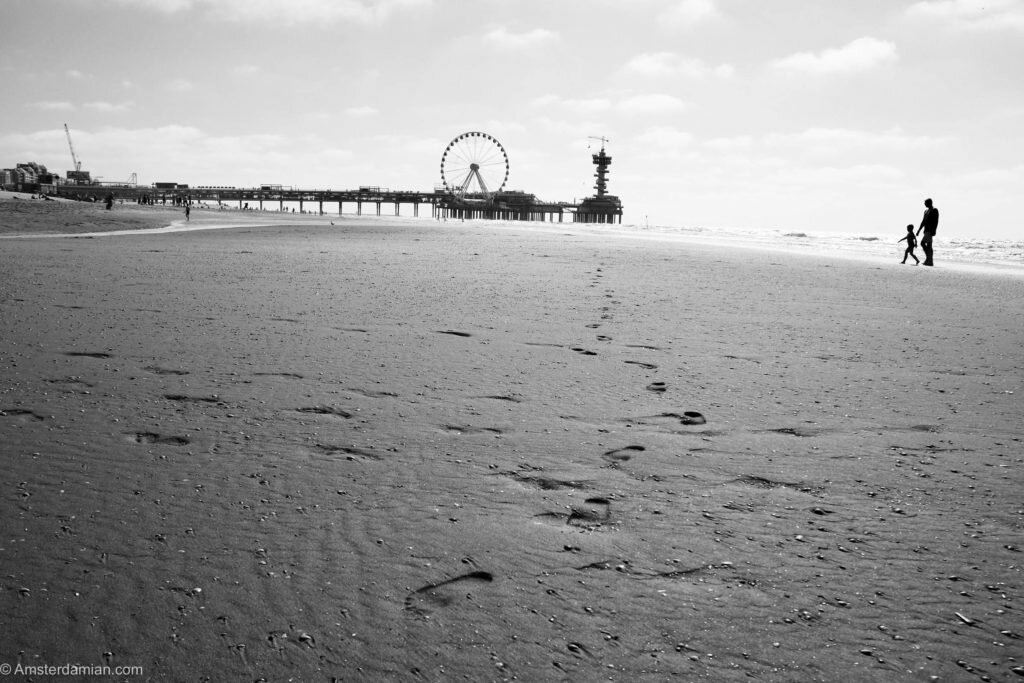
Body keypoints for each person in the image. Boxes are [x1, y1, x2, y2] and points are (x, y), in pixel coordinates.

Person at [916, 198, 939, 266]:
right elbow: (923, 221)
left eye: (925, 203)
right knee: (929, 246)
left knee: (923, 243)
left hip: (930, 230)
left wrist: (934, 230)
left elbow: (936, 221)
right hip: (926, 230)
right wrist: (919, 230)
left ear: (929, 203)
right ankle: (929, 260)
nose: (924, 204)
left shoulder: (934, 210)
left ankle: (929, 259)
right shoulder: (926, 211)